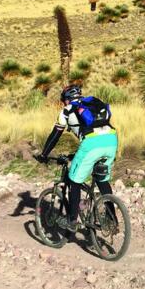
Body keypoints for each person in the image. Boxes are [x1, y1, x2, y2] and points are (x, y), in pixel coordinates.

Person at [35, 85, 118, 232]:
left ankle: (72, 220)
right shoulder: (91, 104)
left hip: (91, 144)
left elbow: (55, 135)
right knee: (102, 180)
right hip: (111, 140)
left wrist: (44, 154)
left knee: (74, 180)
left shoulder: (67, 111)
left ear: (66, 100)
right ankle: (112, 220)